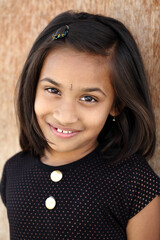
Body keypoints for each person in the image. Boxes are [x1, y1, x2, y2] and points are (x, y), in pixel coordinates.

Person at [0, 10, 160, 240]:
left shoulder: (133, 181)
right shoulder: (14, 171)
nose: (65, 116)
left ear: (116, 105)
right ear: (33, 86)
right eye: (53, 90)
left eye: (89, 98)